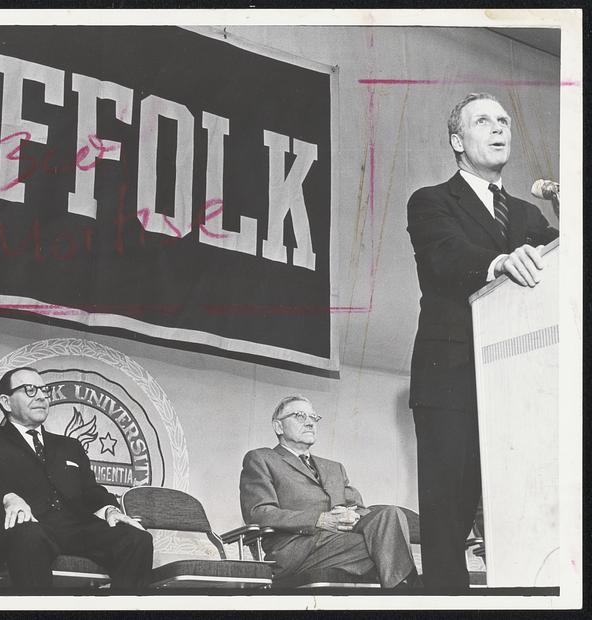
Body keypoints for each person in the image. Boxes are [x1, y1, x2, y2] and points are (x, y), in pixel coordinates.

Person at [406, 92, 559, 590]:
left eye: (504, 121)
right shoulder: (430, 200)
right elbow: (446, 256)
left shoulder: (529, 215)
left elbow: (561, 262)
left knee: (523, 503)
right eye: (483, 121)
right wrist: (498, 263)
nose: (499, 129)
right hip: (450, 377)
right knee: (449, 512)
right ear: (457, 140)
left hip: (521, 380)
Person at [0, 366, 153, 591]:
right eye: (29, 390)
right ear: (6, 402)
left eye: (43, 390)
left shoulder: (69, 446)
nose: (40, 396)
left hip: (75, 528)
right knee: (29, 536)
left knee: (137, 539)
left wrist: (111, 510)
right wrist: (6, 497)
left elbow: (91, 491)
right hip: (27, 527)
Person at [239, 395, 419, 588]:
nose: (310, 423)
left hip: (343, 543)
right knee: (386, 546)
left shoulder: (334, 468)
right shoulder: (262, 459)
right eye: (300, 416)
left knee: (391, 514)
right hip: (299, 550)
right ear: (278, 427)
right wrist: (319, 519)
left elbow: (360, 509)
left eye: (314, 418)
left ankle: (406, 593)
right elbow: (258, 513)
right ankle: (413, 596)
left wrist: (352, 516)